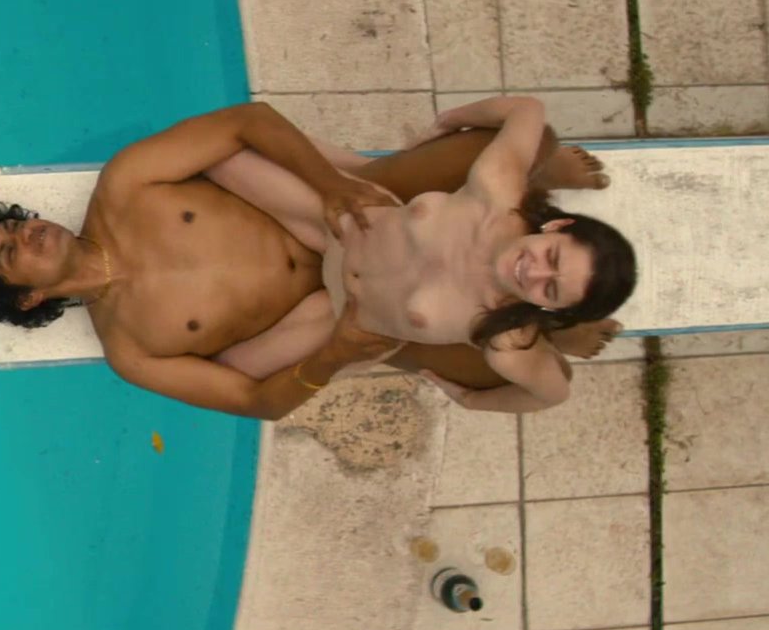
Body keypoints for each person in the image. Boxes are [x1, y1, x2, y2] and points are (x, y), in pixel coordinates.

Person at [0, 101, 617, 420]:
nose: (27, 232)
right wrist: (337, 354)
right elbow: (254, 400)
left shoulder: (125, 184)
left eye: (17, 223)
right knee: (507, 359)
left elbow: (249, 123)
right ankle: (556, 319)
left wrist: (333, 185)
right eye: (11, 251)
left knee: (516, 148)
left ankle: (542, 185)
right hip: (338, 317)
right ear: (28, 299)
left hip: (336, 214)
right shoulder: (131, 351)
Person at [199, 94, 636, 414]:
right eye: (552, 258)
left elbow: (553, 394)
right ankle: (547, 173)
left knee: (227, 371)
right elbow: (529, 110)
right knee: (224, 155)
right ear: (557, 226)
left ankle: (560, 331)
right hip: (337, 226)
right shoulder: (497, 191)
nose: (533, 272)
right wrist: (449, 120)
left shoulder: (508, 340)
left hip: (339, 316)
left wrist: (471, 401)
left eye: (550, 289)